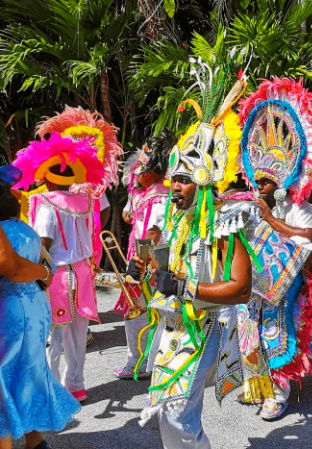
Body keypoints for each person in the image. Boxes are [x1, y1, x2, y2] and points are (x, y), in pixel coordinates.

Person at [135, 60, 255, 449]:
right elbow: (168, 270)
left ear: (203, 181)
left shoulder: (225, 223)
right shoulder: (179, 221)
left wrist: (185, 286)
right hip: (173, 328)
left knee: (179, 414)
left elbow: (240, 289)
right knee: (168, 412)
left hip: (207, 328)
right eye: (173, 178)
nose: (174, 186)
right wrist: (149, 266)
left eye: (184, 179)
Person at [236, 77, 312, 420]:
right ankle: (257, 386)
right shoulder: (251, 202)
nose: (259, 186)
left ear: (281, 183)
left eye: (266, 183)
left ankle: (278, 392)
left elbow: (308, 236)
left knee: (277, 334)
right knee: (248, 333)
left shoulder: (298, 207)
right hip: (253, 285)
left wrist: (272, 221)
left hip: (285, 288)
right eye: (257, 181)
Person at [13, 132, 107, 403]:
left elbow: (43, 244)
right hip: (83, 273)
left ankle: (51, 390)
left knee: (53, 335)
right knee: (78, 334)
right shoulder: (88, 201)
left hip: (58, 276)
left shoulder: (46, 205)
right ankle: (76, 386)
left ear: (48, 177)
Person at [0, 166, 80, 449]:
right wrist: (45, 275)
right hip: (34, 307)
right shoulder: (26, 229)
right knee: (30, 370)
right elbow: (48, 264)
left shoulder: (10, 229)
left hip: (7, 309)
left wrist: (41, 274)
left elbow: (13, 268)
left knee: (4, 376)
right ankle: (36, 440)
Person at [113, 130, 176, 379]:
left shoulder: (161, 194)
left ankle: (139, 362)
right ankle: (146, 360)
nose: (137, 174)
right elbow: (133, 214)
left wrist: (138, 262)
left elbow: (154, 233)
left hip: (149, 260)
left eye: (142, 170)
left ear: (156, 172)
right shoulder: (148, 190)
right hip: (143, 257)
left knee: (140, 311)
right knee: (145, 312)